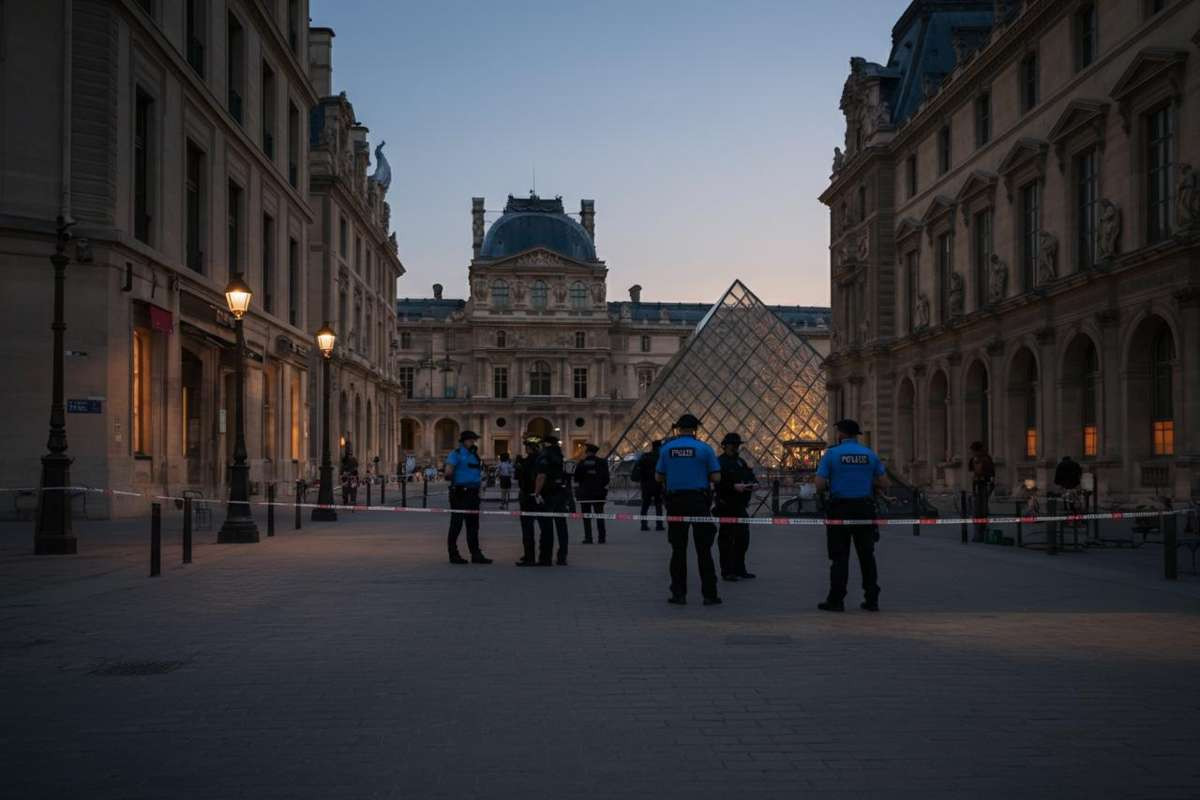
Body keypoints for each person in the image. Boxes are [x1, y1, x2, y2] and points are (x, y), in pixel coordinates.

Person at [814, 419, 887, 612]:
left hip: (840, 509)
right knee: (867, 556)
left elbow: (819, 484)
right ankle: (872, 599)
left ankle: (836, 600)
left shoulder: (832, 454)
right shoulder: (869, 454)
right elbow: (884, 482)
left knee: (839, 557)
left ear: (841, 434)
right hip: (864, 509)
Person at [656, 413, 722, 606]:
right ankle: (709, 595)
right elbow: (716, 478)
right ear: (695, 430)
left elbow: (658, 477)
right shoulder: (704, 448)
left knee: (678, 550)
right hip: (698, 502)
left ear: (678, 429)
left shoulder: (666, 449)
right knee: (704, 550)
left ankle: (679, 594)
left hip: (675, 502)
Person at [444, 430, 492, 565]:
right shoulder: (456, 454)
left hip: (473, 492)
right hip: (460, 492)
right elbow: (448, 471)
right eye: (471, 440)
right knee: (456, 524)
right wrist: (456, 480)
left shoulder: (474, 455)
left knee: (473, 525)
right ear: (463, 441)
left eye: (474, 440)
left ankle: (476, 554)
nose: (473, 442)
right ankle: (453, 554)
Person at [715, 432, 757, 581]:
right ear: (725, 445)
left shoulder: (740, 461)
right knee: (726, 539)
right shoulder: (719, 462)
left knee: (743, 538)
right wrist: (733, 487)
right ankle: (727, 571)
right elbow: (717, 484)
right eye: (733, 444)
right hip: (726, 505)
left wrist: (752, 483)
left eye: (738, 444)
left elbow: (749, 475)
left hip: (740, 505)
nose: (736, 447)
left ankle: (740, 568)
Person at [534, 433, 571, 565]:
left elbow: (541, 476)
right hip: (560, 492)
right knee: (562, 526)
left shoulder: (544, 455)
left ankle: (545, 557)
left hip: (548, 493)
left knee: (547, 527)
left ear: (545, 444)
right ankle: (562, 556)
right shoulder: (560, 455)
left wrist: (536, 493)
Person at [514, 438, 543, 566]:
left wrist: (519, 465)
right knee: (545, 527)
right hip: (541, 496)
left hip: (528, 496)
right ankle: (544, 557)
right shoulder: (542, 459)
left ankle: (529, 557)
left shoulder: (526, 461)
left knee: (527, 527)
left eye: (527, 447)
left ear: (530, 448)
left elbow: (519, 477)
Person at [574, 443, 611, 544]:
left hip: (585, 493)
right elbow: (606, 479)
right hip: (598, 493)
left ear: (587, 452)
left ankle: (588, 537)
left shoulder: (582, 463)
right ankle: (601, 538)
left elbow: (576, 477)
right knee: (599, 515)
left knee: (586, 516)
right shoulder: (602, 462)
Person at [967, 441, 996, 542]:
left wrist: (989, 488)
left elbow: (992, 475)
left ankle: (981, 533)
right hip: (976, 487)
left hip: (984, 487)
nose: (972, 453)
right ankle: (978, 533)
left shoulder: (986, 459)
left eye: (973, 451)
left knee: (982, 511)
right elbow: (971, 474)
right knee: (976, 511)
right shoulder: (973, 460)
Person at [635, 440, 665, 531]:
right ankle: (659, 525)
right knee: (658, 505)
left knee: (645, 505)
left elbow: (639, 470)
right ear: (659, 447)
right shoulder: (660, 457)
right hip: (657, 484)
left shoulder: (645, 456)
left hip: (646, 485)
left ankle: (643, 525)